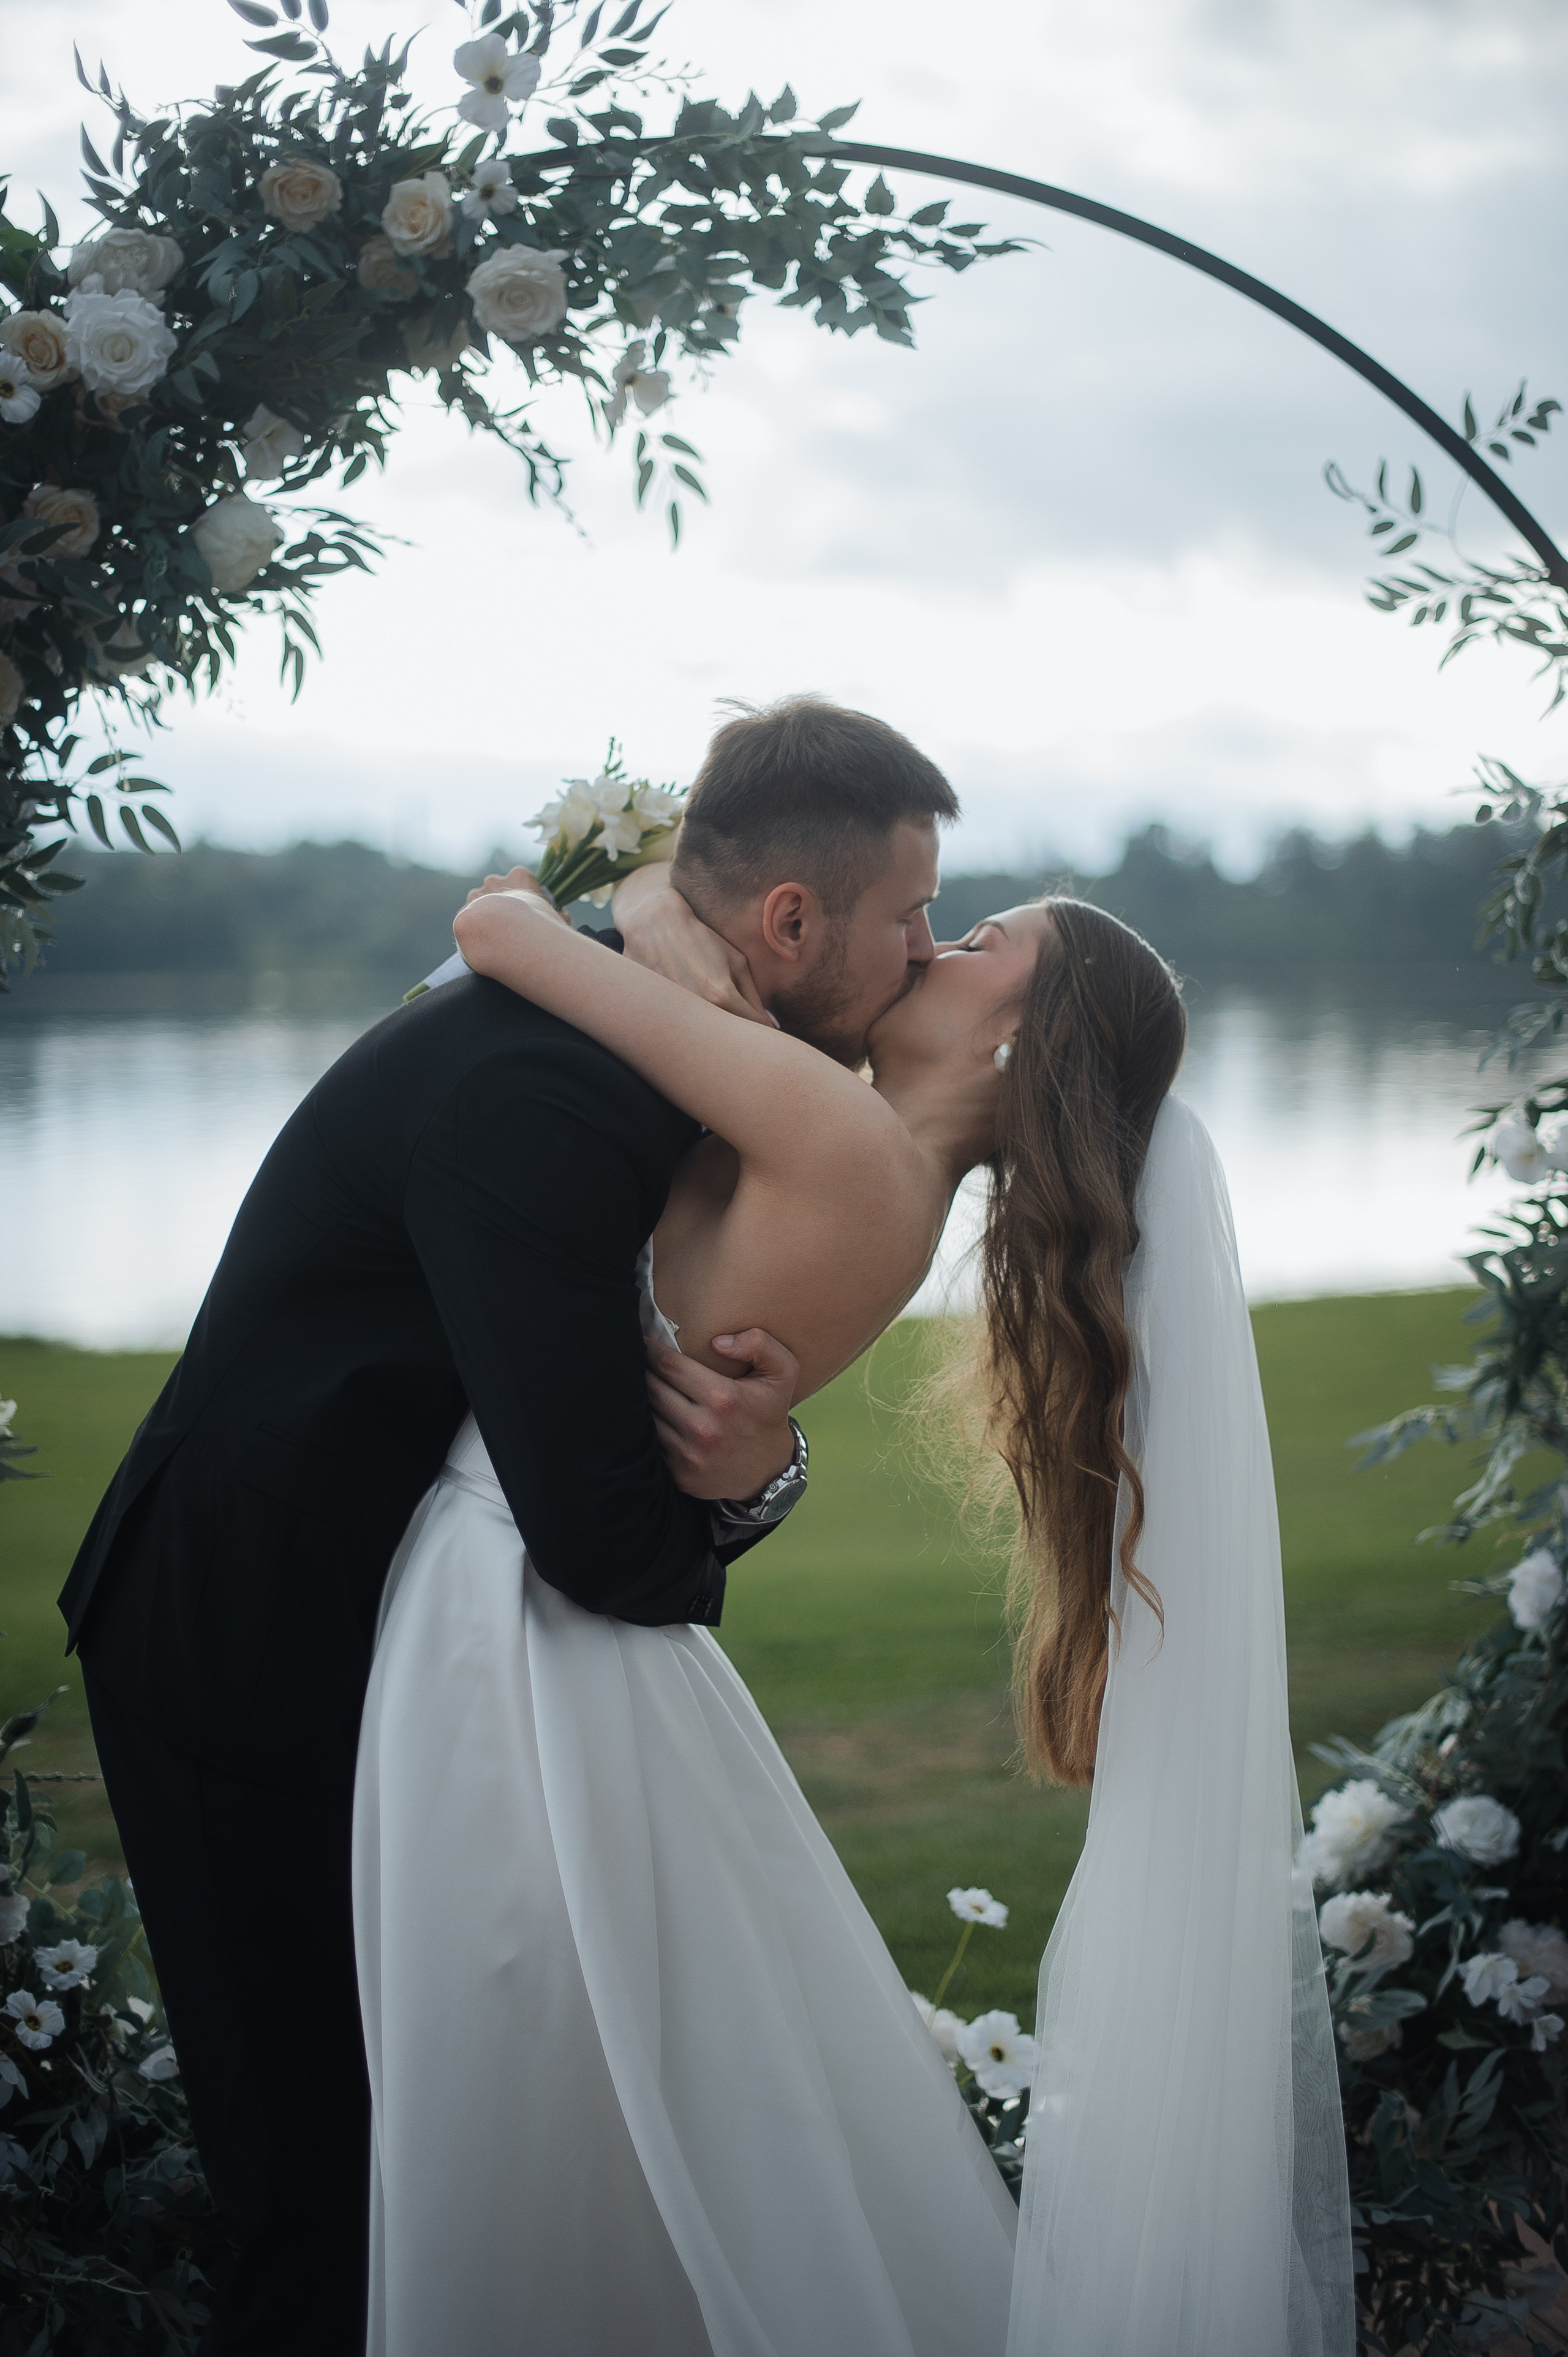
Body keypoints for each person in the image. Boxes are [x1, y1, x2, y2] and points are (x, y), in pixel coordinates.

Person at [358, 727, 1354, 2352]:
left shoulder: (839, 1142)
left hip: (514, 1611)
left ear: (1015, 1035)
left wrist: (648, 902)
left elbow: (503, 933)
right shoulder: (871, 1162)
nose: (928, 948)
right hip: (560, 1611)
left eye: (974, 942)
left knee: (538, 2097)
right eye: (929, 919)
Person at [58, 695, 960, 2356]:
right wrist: (742, 1487)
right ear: (788, 921)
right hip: (240, 1647)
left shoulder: (625, 1035)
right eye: (911, 914)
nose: (925, 951)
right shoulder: (553, 1092)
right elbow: (599, 1536)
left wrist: (755, 1464)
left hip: (383, 1641)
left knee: (436, 2158)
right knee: (319, 2188)